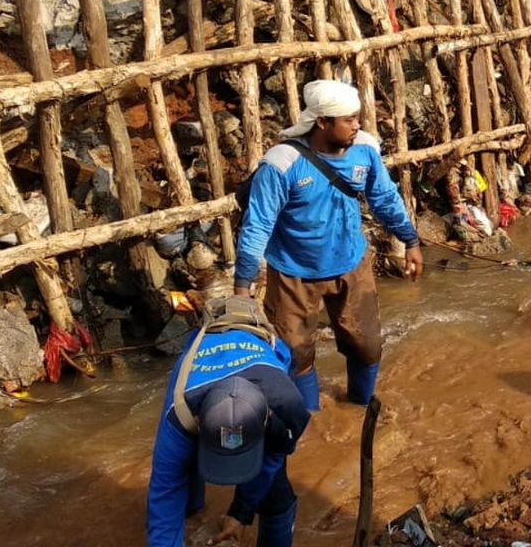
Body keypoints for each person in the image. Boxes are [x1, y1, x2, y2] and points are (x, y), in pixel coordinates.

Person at [235, 79, 423, 412]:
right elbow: (258, 224)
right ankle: (310, 417)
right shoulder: (281, 164)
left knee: (367, 346)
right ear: (322, 122)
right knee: (295, 352)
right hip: (294, 272)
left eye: (357, 117)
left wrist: (410, 240)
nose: (357, 125)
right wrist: (242, 287)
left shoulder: (365, 149)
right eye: (348, 120)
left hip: (351, 262)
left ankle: (360, 409)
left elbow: (383, 197)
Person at [147, 296, 310, 547]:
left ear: (267, 423)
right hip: (199, 375)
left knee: (275, 495)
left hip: (260, 348)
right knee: (182, 484)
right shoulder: (179, 418)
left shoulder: (288, 410)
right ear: (200, 425)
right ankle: (195, 508)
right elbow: (164, 500)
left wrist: (240, 513)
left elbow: (272, 458)